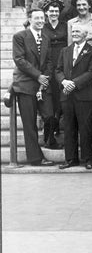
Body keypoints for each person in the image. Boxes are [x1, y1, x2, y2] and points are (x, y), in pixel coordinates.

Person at [12, 9, 55, 166]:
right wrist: (38, 75)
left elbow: (49, 61)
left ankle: (49, 141)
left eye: (42, 18)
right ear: (29, 19)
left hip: (42, 85)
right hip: (25, 85)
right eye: (36, 18)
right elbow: (19, 60)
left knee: (49, 115)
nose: (40, 21)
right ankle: (36, 158)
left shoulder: (46, 37)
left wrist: (45, 78)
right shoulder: (20, 37)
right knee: (29, 124)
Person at [56, 23, 92, 170]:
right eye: (73, 31)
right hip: (67, 96)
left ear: (85, 35)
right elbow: (58, 70)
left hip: (84, 95)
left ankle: (87, 159)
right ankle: (70, 159)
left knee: (85, 128)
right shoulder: (65, 51)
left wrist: (74, 83)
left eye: (77, 31)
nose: (74, 33)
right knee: (69, 128)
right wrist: (63, 81)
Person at [41, 0, 68, 147]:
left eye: (56, 11)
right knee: (50, 102)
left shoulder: (65, 26)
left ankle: (58, 127)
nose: (54, 13)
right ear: (46, 12)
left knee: (61, 100)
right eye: (51, 11)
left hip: (62, 64)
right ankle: (49, 135)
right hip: (48, 66)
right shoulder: (43, 27)